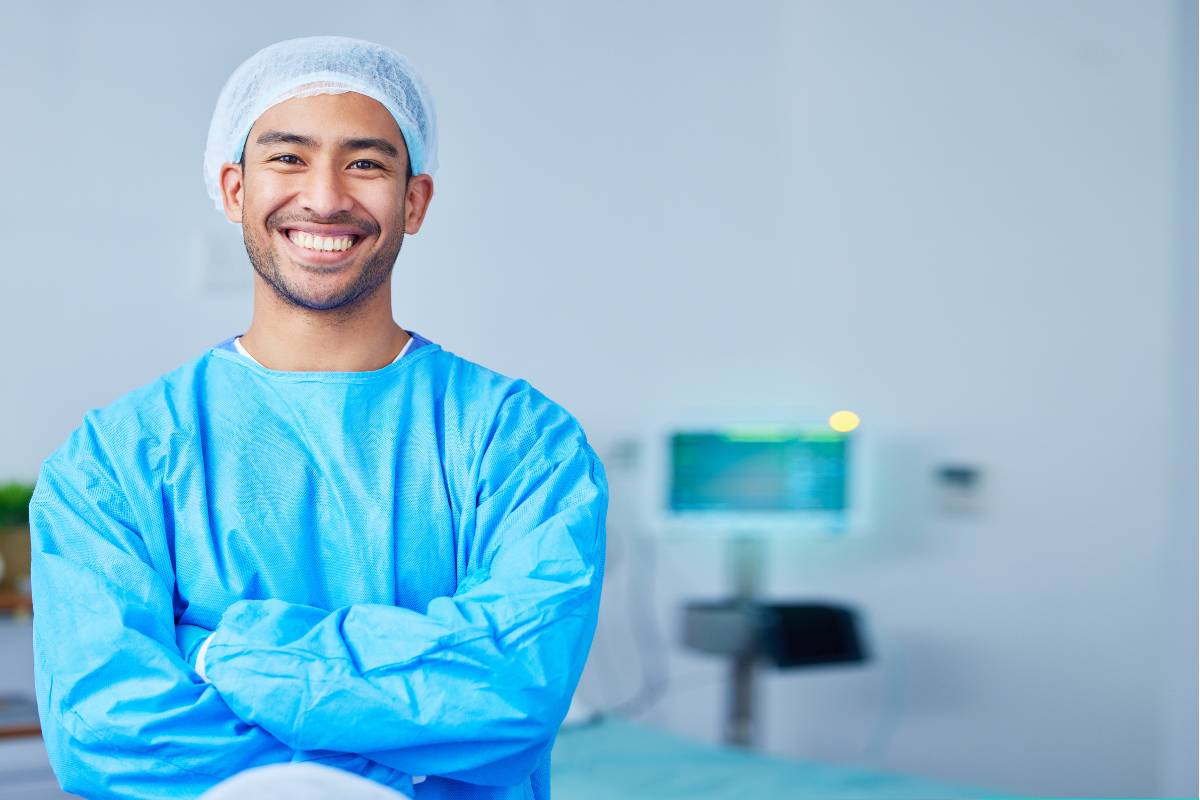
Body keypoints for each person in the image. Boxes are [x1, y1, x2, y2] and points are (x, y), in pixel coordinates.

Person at [28, 36, 607, 800]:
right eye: (288, 158)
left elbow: (510, 694)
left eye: (365, 162)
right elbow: (105, 735)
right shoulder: (112, 462)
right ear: (235, 190)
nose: (327, 197)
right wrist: (403, 752)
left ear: (415, 200)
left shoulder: (523, 444)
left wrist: (220, 652)